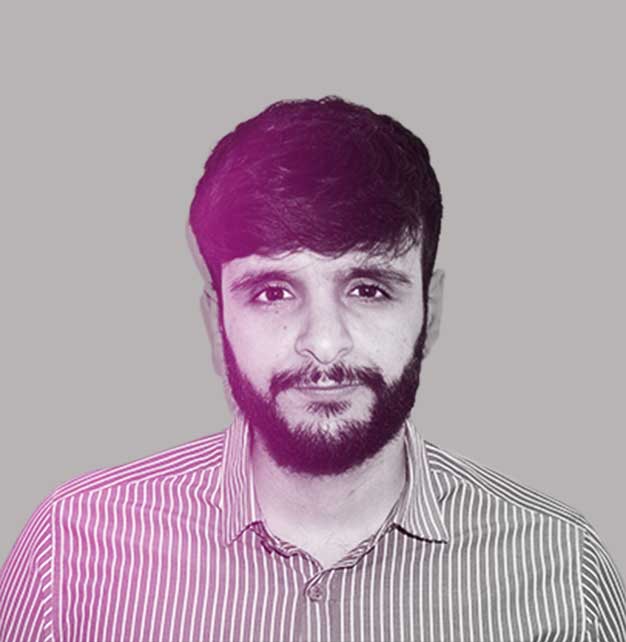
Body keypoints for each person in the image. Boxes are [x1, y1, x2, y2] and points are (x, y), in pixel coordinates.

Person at [1, 97, 624, 642]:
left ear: (430, 313)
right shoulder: (72, 549)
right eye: (272, 292)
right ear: (217, 323)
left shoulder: (560, 568)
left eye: (369, 289)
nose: (324, 344)